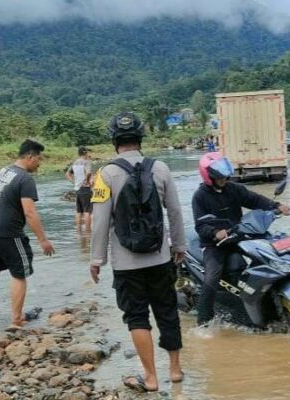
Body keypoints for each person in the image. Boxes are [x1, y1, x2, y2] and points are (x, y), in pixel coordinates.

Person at [90, 112, 186, 393]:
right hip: (160, 257)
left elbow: (100, 220)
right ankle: (176, 370)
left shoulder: (105, 174)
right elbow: (176, 212)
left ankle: (151, 376)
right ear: (140, 138)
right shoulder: (161, 168)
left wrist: (97, 259)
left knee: (137, 316)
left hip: (125, 263)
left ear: (114, 140)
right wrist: (178, 246)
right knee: (167, 311)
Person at [192, 152, 290, 326]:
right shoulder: (200, 196)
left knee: (265, 258)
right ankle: (203, 321)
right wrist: (215, 232)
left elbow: (254, 200)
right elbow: (200, 226)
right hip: (216, 244)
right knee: (211, 278)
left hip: (238, 237)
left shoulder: (233, 188)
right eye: (220, 177)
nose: (224, 180)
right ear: (209, 177)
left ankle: (262, 303)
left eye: (225, 176)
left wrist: (276, 206)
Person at [0, 139, 54, 327]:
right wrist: (43, 240)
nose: (40, 163)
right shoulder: (25, 179)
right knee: (19, 274)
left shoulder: (4, 171)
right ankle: (16, 319)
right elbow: (30, 212)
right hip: (8, 233)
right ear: (30, 157)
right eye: (39, 159)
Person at [65, 146, 93, 230]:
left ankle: (78, 231)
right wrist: (87, 181)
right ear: (85, 153)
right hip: (85, 188)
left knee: (78, 211)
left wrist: (74, 182)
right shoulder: (86, 162)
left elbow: (67, 174)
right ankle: (88, 232)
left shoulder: (75, 163)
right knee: (87, 211)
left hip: (77, 188)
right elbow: (88, 173)